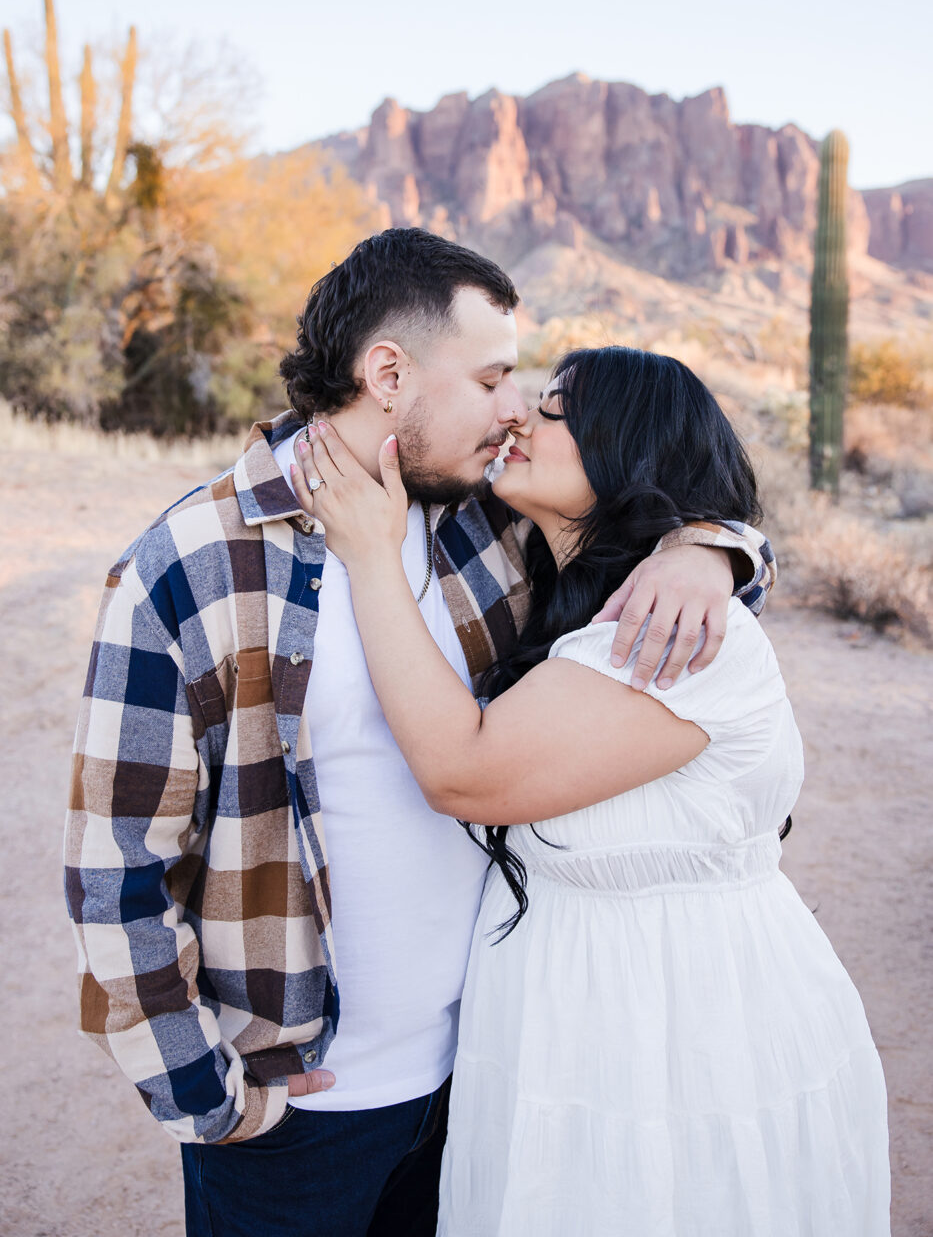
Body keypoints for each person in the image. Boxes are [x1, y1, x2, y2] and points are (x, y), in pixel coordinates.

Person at [65, 230, 774, 1237]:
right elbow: (117, 871)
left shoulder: (485, 519)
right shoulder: (187, 568)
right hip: (299, 1116)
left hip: (482, 1073)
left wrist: (713, 548)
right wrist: (211, 1101)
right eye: (493, 377)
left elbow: (656, 492)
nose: (514, 408)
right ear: (388, 372)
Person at [292, 343, 890, 1237]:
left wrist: (372, 558)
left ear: (632, 452)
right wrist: (714, 542)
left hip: (680, 1029)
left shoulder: (674, 638)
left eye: (561, 408)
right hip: (560, 1020)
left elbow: (462, 771)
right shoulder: (560, 589)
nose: (520, 417)